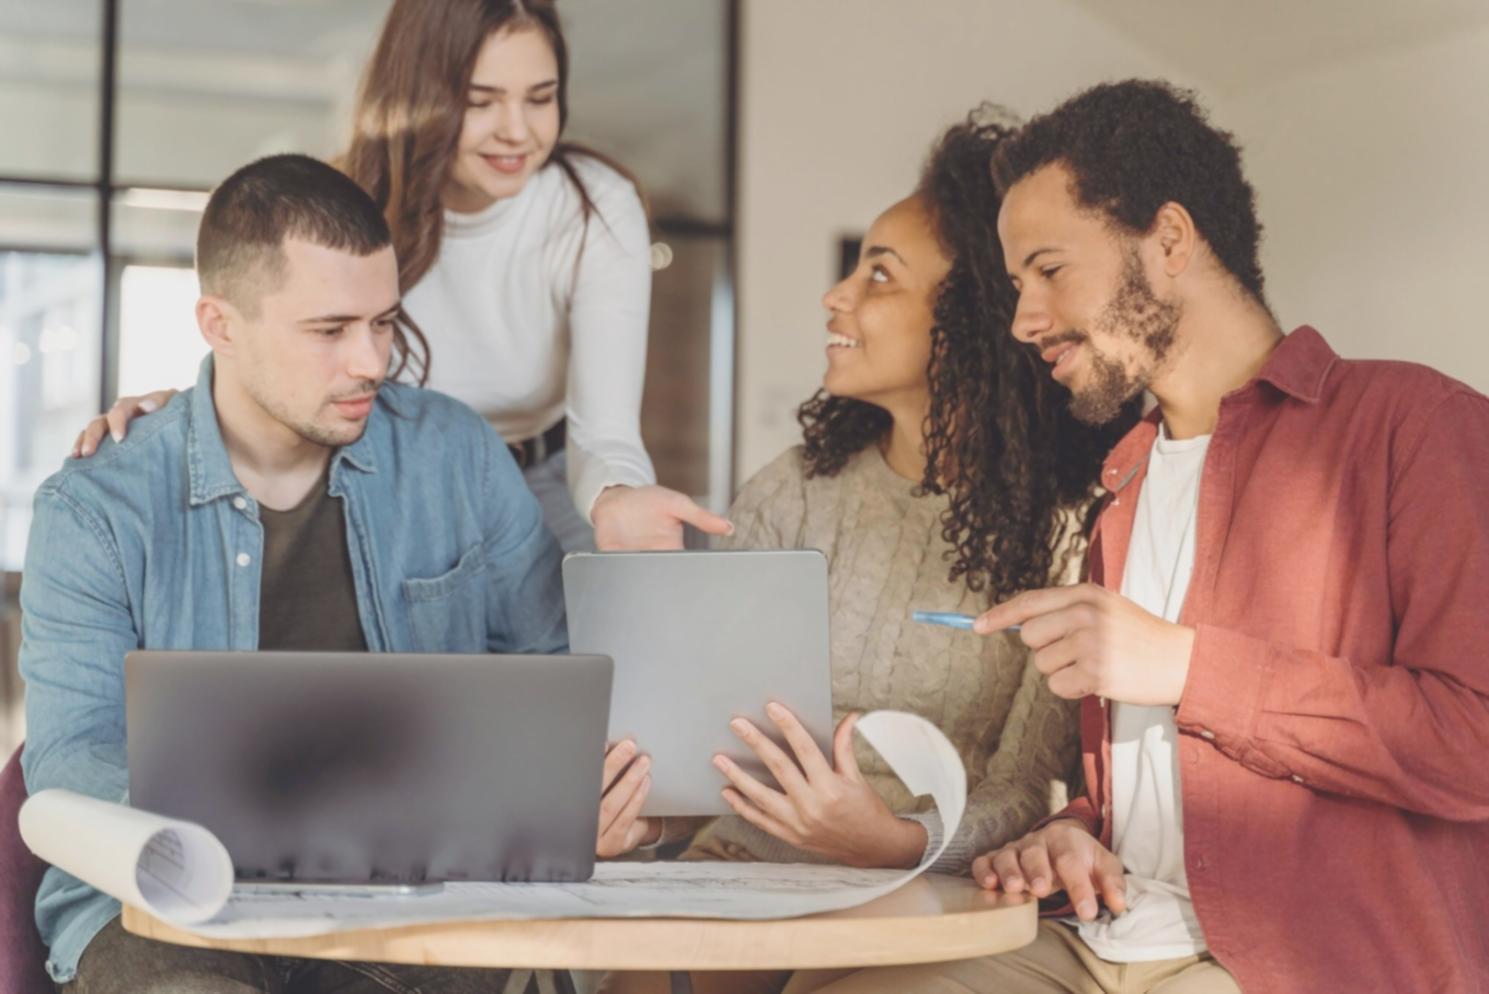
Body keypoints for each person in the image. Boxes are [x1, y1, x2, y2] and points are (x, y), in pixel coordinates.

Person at [789, 80, 1489, 994]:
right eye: (1015, 286)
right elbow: (1158, 783)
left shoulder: (1414, 423)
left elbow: (1472, 742)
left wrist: (1188, 667)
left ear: (1168, 240)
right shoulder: (1120, 485)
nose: (1023, 321)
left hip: (1286, 959)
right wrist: (1069, 832)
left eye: (1049, 270)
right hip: (1105, 932)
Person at [21, 154, 659, 993]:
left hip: (416, 901)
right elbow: (72, 760)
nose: (370, 361)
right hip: (166, 902)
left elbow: (556, 673)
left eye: (383, 323)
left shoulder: (456, 456)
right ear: (220, 325)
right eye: (329, 331)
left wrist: (580, 801)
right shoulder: (97, 508)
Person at [606, 111, 1135, 994]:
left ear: (969, 317)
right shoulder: (793, 489)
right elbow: (707, 738)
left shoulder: (1069, 526)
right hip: (745, 862)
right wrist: (644, 819)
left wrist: (889, 841)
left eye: (878, 276)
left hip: (924, 887)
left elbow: (1025, 785)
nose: (835, 296)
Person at [71, 0, 731, 554]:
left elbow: (604, 431)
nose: (518, 131)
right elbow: (275, 356)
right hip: (389, 478)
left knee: (597, 643)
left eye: (541, 98)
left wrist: (617, 497)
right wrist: (182, 415)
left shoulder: (594, 206)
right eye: (481, 101)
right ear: (421, 94)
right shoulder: (345, 201)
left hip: (543, 478)